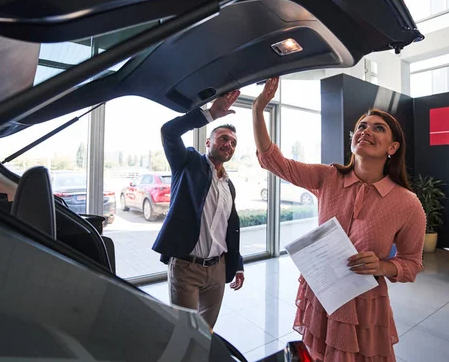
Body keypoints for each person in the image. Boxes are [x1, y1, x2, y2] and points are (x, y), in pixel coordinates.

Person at [252, 77, 426, 361]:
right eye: (361, 126)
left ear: (392, 148)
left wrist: (383, 265)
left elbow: (411, 264)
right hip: (321, 292)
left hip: (363, 305)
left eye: (378, 128)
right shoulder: (328, 177)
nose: (366, 131)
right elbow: (273, 161)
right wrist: (258, 109)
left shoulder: (407, 203)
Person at [152, 90, 245, 329]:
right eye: (224, 138)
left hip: (218, 270)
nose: (228, 144)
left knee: (206, 332)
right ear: (208, 142)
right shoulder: (188, 164)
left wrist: (237, 263)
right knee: (184, 331)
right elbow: (169, 132)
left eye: (233, 143)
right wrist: (210, 114)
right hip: (186, 268)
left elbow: (225, 227)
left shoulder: (228, 185)